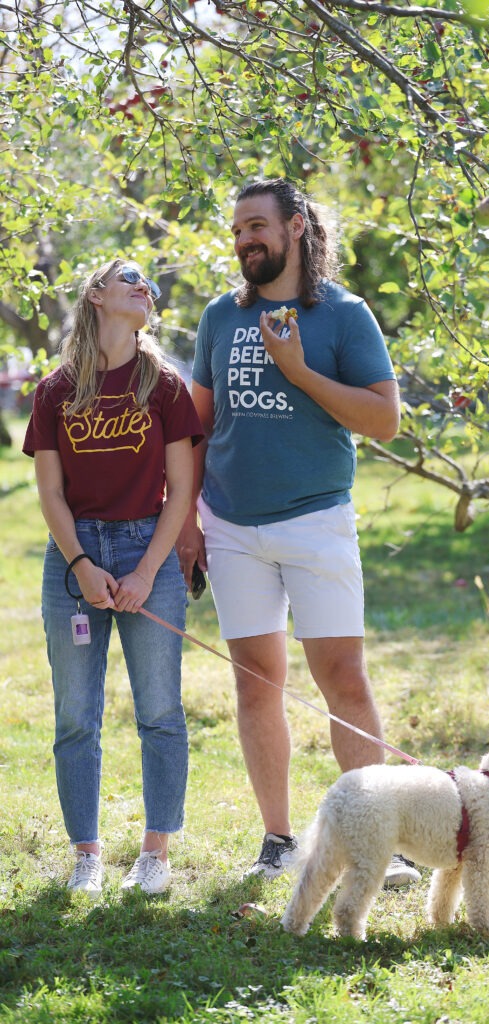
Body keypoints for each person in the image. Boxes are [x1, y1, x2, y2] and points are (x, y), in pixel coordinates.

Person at [176, 177, 420, 887]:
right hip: (230, 527)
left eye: (256, 225)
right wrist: (189, 521)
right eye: (237, 230)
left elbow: (382, 420)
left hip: (316, 522)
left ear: (295, 229)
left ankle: (378, 841)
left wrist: (298, 371)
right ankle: (279, 840)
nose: (244, 239)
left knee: (341, 677)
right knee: (256, 685)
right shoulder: (221, 316)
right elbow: (196, 425)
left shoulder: (344, 315)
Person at [23, 258, 203, 898]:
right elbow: (49, 491)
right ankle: (86, 855)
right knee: (76, 716)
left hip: (144, 546)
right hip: (74, 558)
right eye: (128, 278)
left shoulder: (164, 384)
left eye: (148, 283)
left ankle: (155, 854)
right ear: (96, 296)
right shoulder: (55, 390)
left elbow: (181, 489)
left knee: (159, 711)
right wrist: (81, 564)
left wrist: (147, 570)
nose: (143, 287)